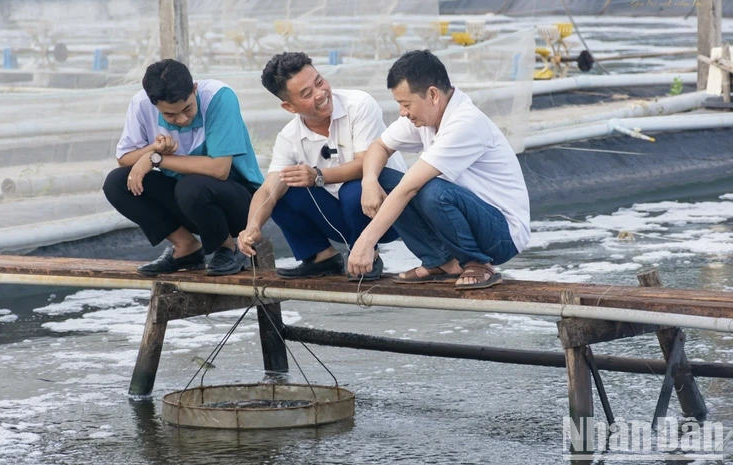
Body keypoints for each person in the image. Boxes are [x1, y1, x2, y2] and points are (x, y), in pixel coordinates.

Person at [347, 50, 530, 289]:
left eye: (406, 104)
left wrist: (365, 242)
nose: (403, 112)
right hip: (467, 218)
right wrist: (369, 181)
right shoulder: (425, 116)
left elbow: (410, 187)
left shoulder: (464, 123)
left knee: (431, 190)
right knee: (384, 177)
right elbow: (379, 146)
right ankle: (441, 262)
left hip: (502, 234)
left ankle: (478, 263)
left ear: (432, 94)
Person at [237, 52, 407, 280]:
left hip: (388, 210)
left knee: (352, 189)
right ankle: (321, 257)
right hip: (344, 216)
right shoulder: (289, 137)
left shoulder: (359, 105)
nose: (321, 94)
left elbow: (368, 163)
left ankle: (368, 253)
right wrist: (252, 226)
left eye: (319, 82)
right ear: (289, 106)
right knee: (283, 190)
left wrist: (318, 176)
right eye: (307, 93)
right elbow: (268, 189)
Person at [103, 59, 263, 276]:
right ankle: (186, 247)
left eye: (187, 108)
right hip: (190, 204)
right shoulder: (141, 105)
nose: (182, 119)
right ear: (154, 105)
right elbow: (124, 158)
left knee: (191, 186)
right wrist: (153, 149)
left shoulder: (219, 97)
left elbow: (219, 169)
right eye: (170, 115)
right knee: (117, 182)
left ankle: (228, 247)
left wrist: (155, 159)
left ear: (194, 89)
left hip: (240, 204)